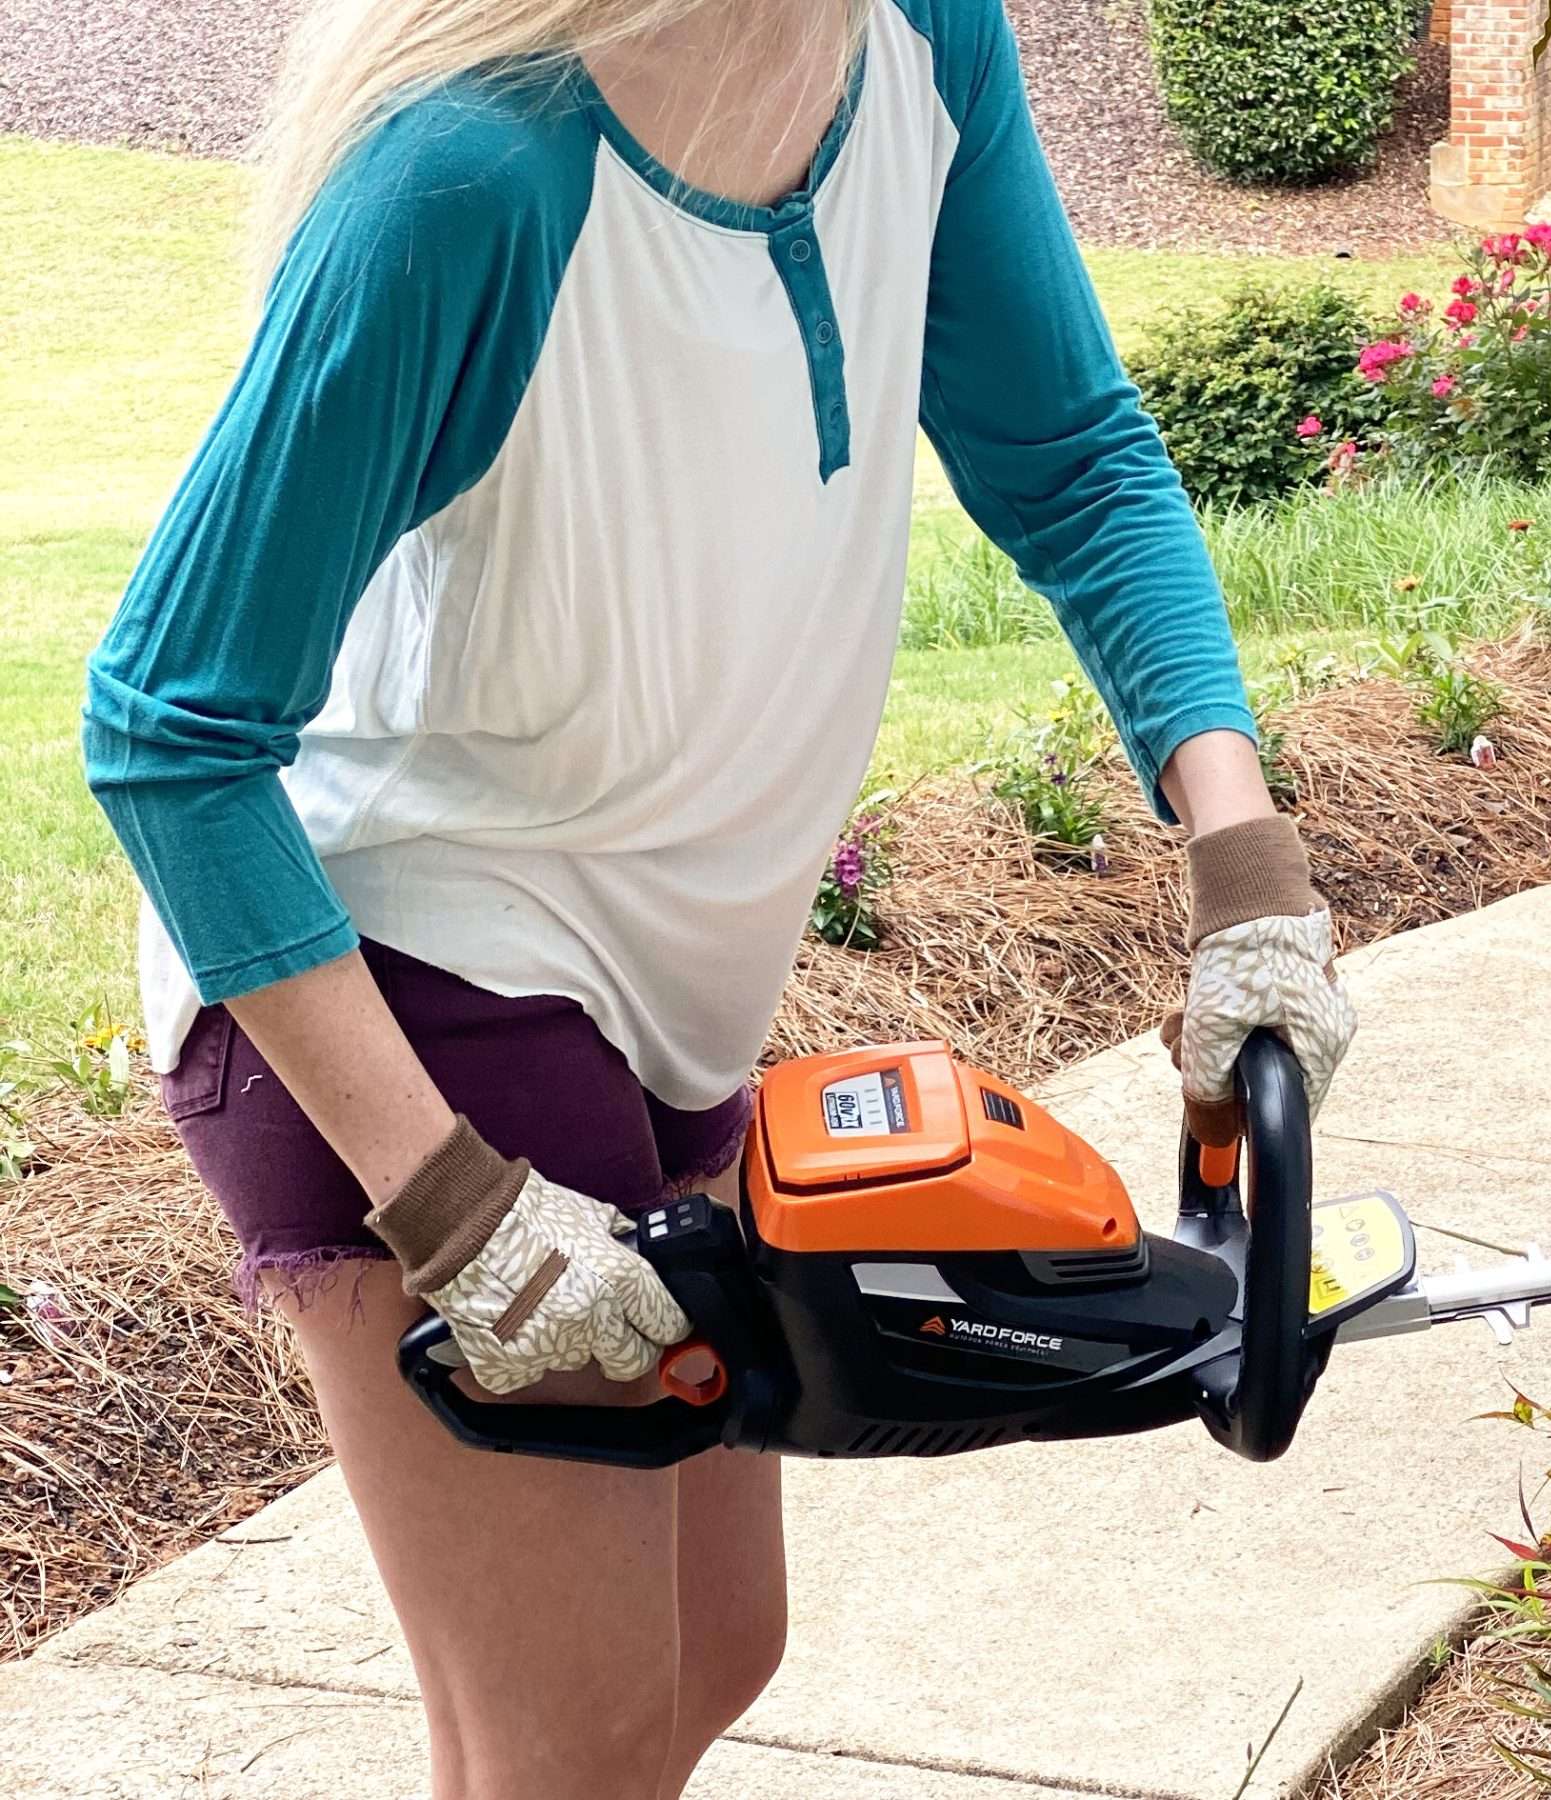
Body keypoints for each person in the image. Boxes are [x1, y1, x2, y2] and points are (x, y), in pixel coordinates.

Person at [79, 0, 1357, 1793]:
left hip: (658, 987)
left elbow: (1075, 458)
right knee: (577, 1735)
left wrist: (1248, 872)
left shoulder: (920, 44)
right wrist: (455, 1208)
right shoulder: (469, 173)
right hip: (406, 975)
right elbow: (167, 728)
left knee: (707, 1651)